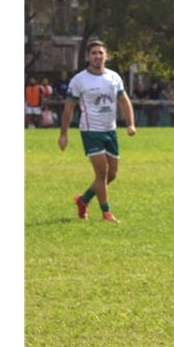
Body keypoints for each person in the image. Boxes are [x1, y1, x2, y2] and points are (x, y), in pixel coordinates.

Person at [58, 39, 135, 224]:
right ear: (88, 57)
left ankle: (83, 200)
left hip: (110, 130)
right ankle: (106, 212)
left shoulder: (114, 77)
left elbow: (124, 101)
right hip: (90, 131)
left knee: (112, 174)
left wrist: (131, 124)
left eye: (101, 53)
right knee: (102, 172)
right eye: (94, 53)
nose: (97, 56)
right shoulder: (79, 80)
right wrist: (64, 134)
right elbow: (69, 108)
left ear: (106, 56)